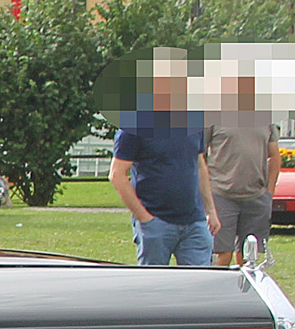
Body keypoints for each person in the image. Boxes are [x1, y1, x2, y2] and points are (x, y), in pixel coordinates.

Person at [108, 64, 219, 266]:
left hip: (194, 222)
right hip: (156, 222)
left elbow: (200, 164)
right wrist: (144, 218)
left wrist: (210, 210)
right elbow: (117, 175)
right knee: (156, 289)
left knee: (199, 288)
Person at [205, 111, 280, 267]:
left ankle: (243, 290)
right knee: (222, 253)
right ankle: (217, 290)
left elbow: (274, 155)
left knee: (249, 256)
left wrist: (269, 192)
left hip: (256, 196)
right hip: (221, 194)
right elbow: (200, 155)